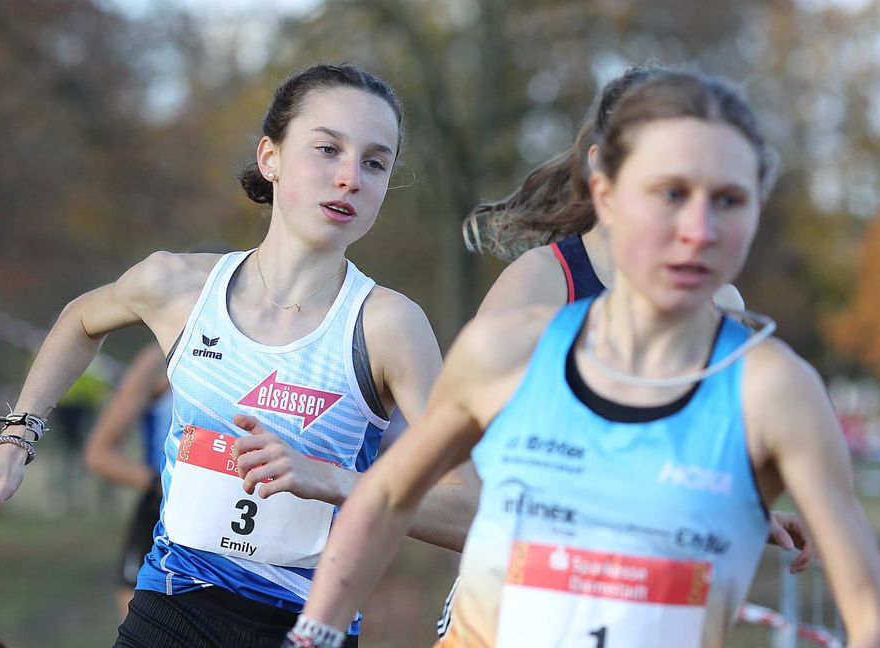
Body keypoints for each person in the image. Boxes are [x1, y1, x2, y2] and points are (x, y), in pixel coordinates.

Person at [287, 70, 880, 648]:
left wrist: (716, 508)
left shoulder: (777, 389)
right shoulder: (510, 342)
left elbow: (866, 613)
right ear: (606, 192)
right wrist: (316, 632)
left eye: (730, 200)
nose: (699, 229)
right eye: (671, 193)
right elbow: (393, 496)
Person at [0, 63, 474, 647]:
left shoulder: (388, 325)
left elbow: (472, 511)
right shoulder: (178, 287)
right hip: (170, 609)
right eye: (328, 149)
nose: (350, 177)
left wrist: (333, 480)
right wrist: (15, 440)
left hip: (307, 630)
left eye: (375, 163)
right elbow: (80, 319)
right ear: (270, 157)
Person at [83, 344, 172, 619]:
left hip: (239, 524)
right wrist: (159, 483)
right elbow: (99, 453)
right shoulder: (160, 358)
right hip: (161, 517)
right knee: (139, 630)